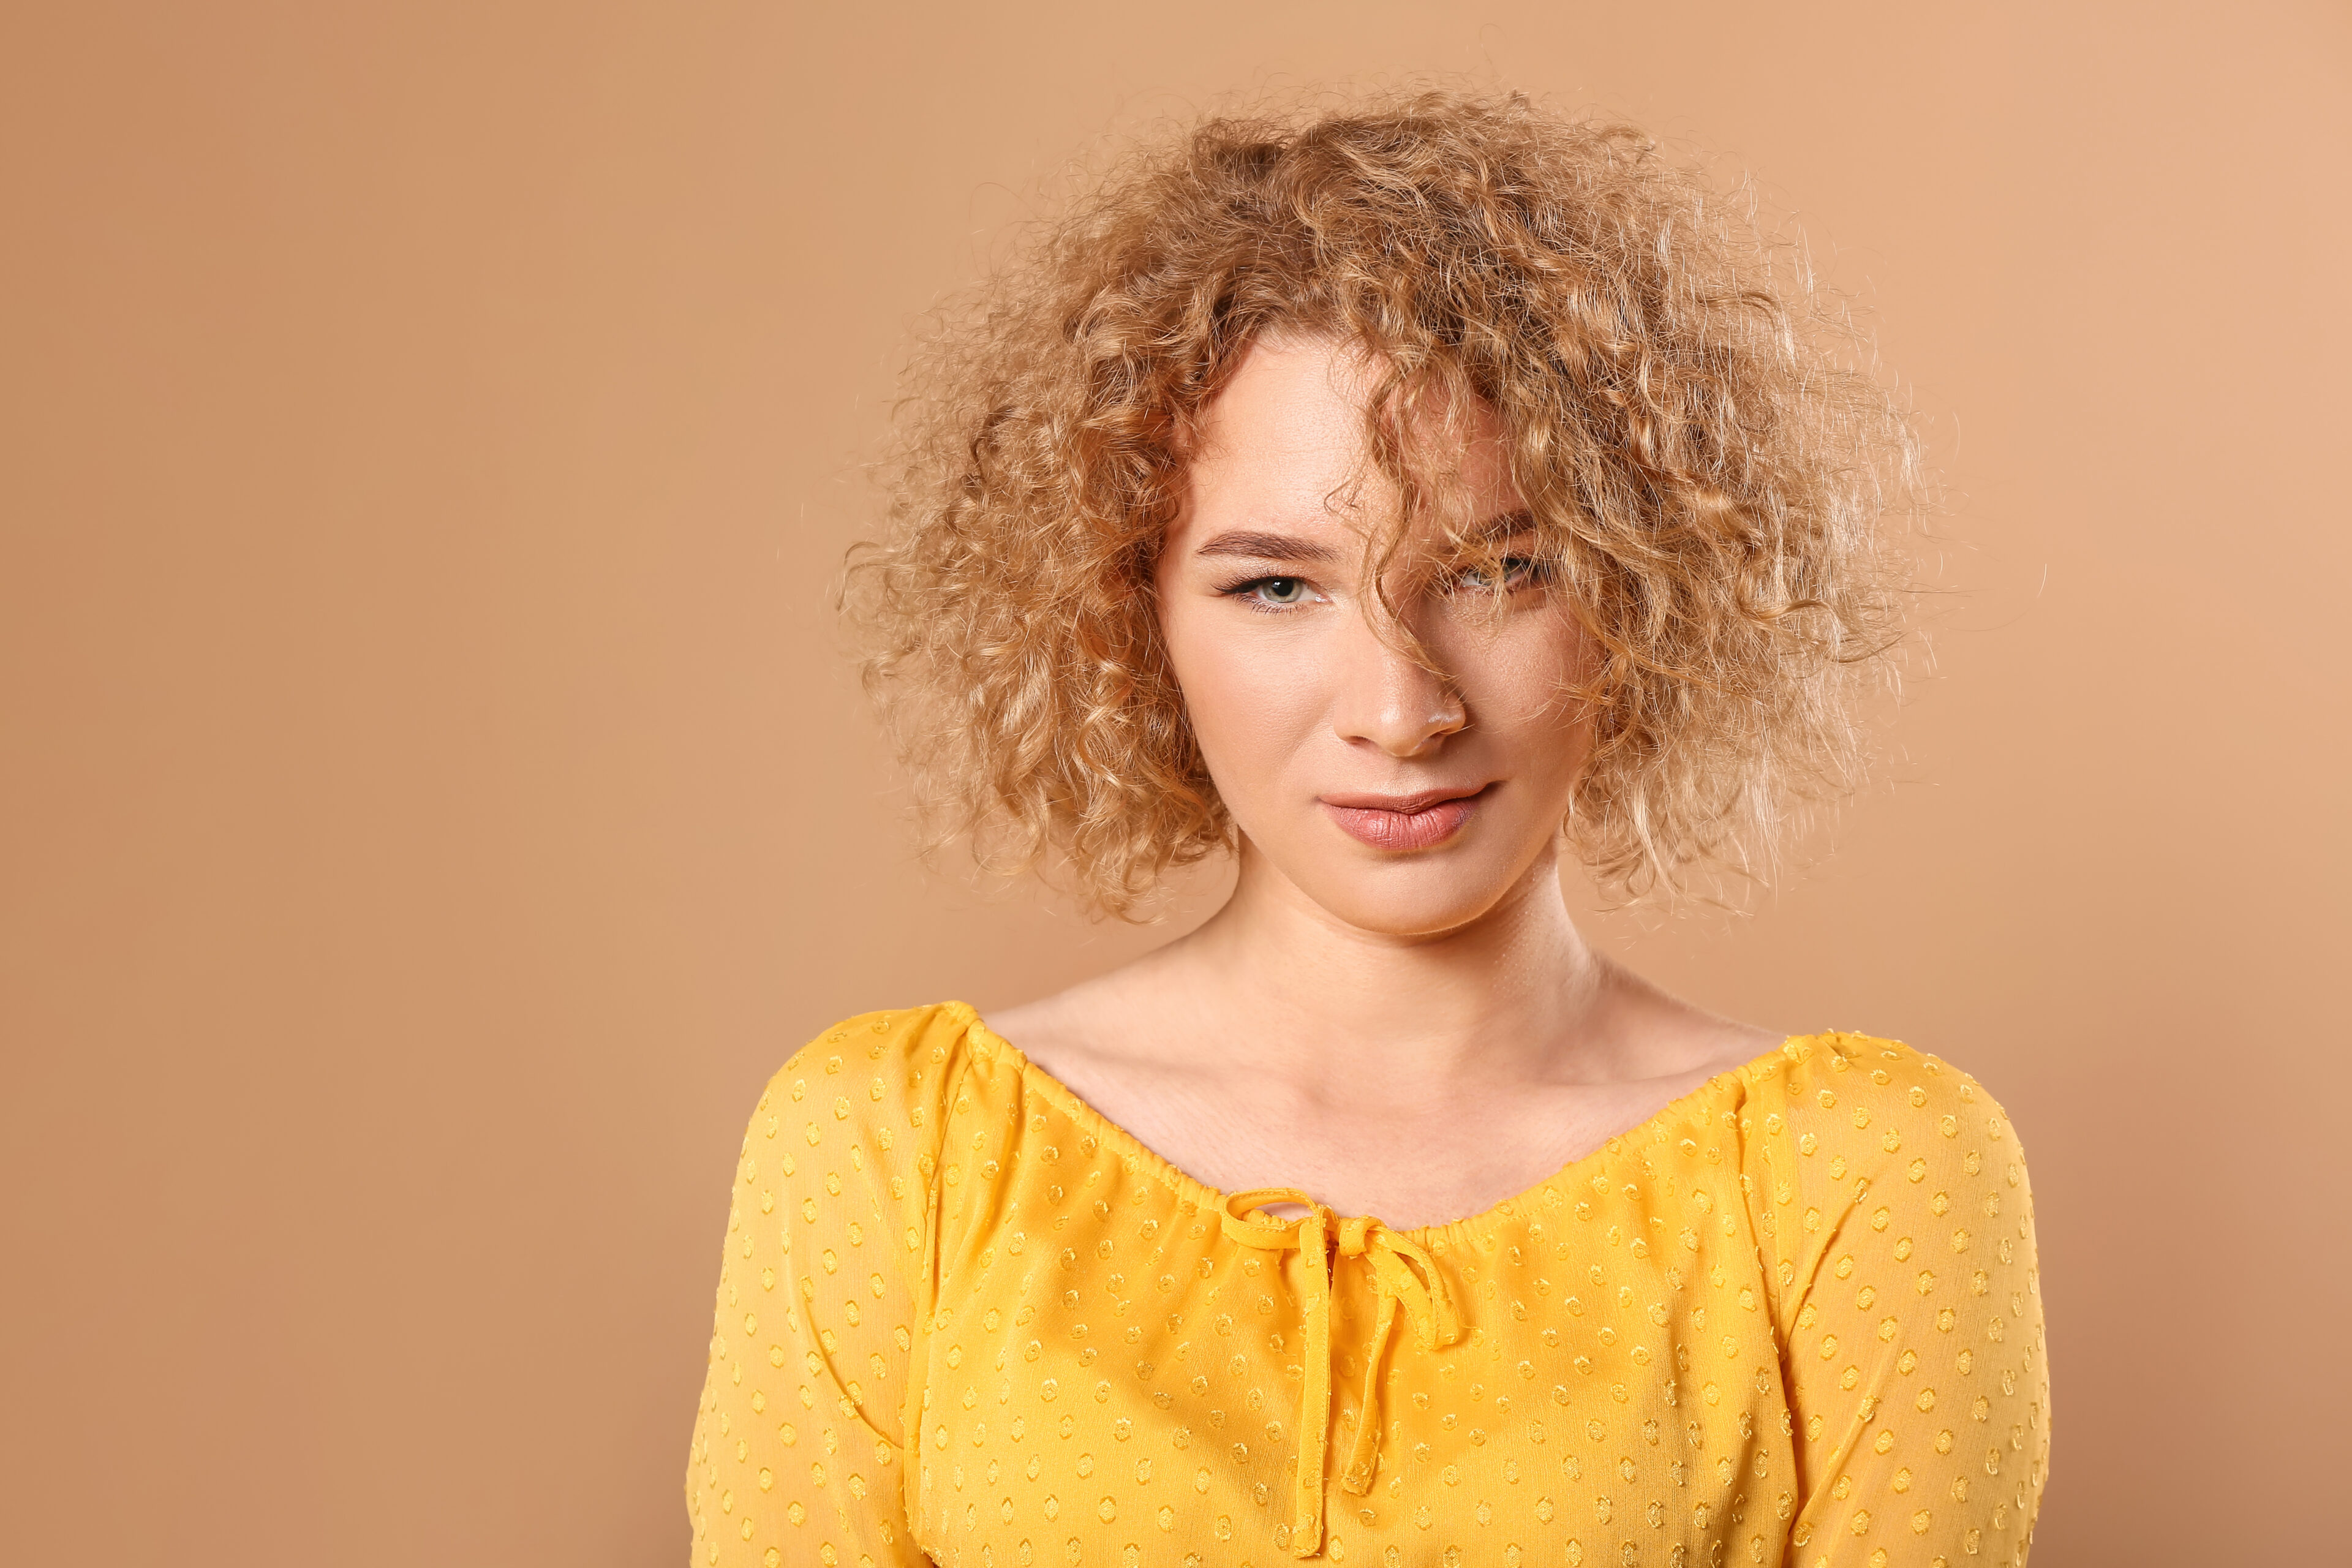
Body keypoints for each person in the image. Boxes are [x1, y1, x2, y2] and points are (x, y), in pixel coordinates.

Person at [685, 92, 2049, 1568]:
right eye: (1277, 586)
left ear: (1643, 582)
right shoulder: (899, 1146)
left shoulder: (1860, 1173)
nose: (1402, 710)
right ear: (1125, 614)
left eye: (1498, 571)